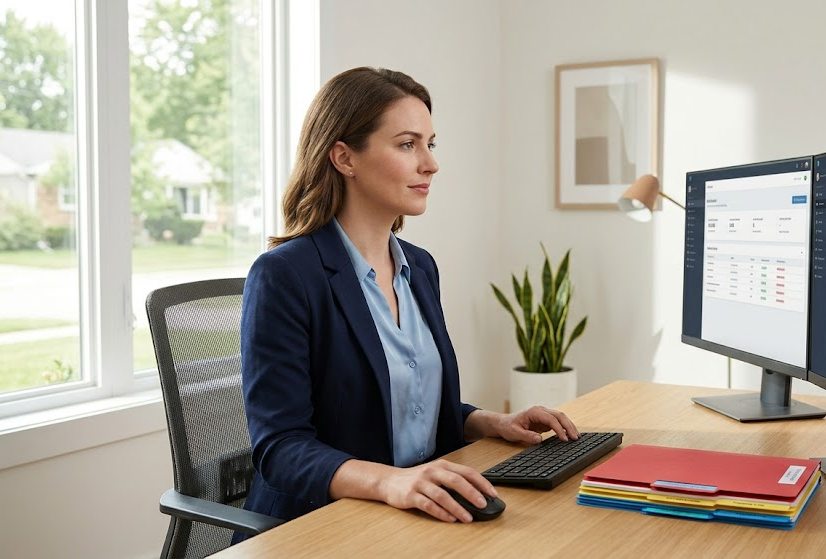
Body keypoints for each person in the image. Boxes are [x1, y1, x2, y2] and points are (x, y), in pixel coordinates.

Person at [236, 67, 579, 535]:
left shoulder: (420, 267)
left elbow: (405, 406)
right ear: (344, 158)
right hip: (317, 526)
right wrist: (392, 482)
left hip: (414, 516)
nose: (430, 164)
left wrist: (491, 423)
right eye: (406, 144)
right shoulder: (284, 276)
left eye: (430, 144)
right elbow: (281, 448)